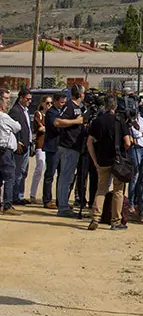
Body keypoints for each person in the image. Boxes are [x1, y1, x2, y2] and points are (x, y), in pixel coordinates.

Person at [85, 96, 132, 230]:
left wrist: (94, 160)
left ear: (104, 106)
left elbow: (89, 142)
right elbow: (127, 142)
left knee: (101, 189)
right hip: (117, 160)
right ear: (115, 106)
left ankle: (95, 217)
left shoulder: (97, 121)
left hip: (102, 159)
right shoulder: (120, 121)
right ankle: (115, 221)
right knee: (118, 190)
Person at [54, 84, 85, 218]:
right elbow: (57, 122)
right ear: (80, 94)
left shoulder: (78, 107)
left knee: (69, 177)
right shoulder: (69, 106)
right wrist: (75, 122)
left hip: (75, 146)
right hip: (68, 146)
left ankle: (64, 204)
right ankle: (63, 207)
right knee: (65, 177)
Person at [128, 105, 143, 223]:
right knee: (135, 176)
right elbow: (135, 134)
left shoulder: (141, 119)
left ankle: (141, 203)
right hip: (135, 148)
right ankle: (131, 203)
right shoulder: (129, 121)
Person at [0, 89, 23, 215]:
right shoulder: (3, 116)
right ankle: (7, 205)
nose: (8, 101)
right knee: (9, 177)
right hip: (5, 152)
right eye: (6, 98)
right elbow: (17, 127)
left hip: (3, 151)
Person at [41, 93, 65, 208]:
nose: (63, 104)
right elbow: (57, 128)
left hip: (62, 147)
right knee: (50, 174)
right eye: (61, 102)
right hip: (52, 148)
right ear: (55, 101)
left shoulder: (62, 112)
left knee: (62, 175)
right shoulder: (51, 113)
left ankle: (60, 200)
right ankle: (47, 200)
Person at [9, 87, 32, 206]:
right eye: (27, 99)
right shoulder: (15, 111)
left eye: (30, 99)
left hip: (27, 145)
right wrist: (17, 141)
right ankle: (14, 196)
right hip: (19, 147)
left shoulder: (25, 110)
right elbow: (12, 129)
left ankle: (20, 195)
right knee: (17, 172)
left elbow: (27, 128)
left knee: (23, 172)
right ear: (21, 98)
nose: (29, 101)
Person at [29, 95, 50, 204]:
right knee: (39, 168)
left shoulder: (50, 114)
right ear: (42, 103)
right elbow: (40, 128)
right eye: (47, 103)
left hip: (49, 145)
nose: (49, 105)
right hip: (40, 144)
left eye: (50, 103)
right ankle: (32, 194)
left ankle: (45, 196)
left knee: (48, 170)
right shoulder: (39, 114)